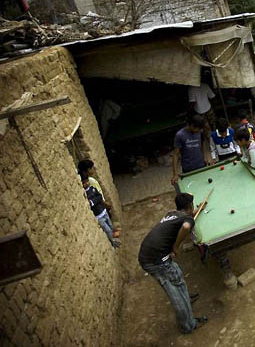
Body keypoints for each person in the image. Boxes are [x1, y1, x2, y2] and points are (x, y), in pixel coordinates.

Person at [138, 193, 208, 334]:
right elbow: (187, 226)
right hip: (157, 260)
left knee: (177, 278)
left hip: (147, 253)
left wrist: (198, 209)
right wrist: (176, 246)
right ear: (189, 206)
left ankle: (186, 299)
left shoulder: (172, 214)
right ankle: (189, 325)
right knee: (174, 288)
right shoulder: (186, 219)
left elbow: (186, 218)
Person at [78, 159, 121, 238]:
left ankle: (114, 235)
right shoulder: (90, 182)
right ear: (88, 170)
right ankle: (113, 239)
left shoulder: (90, 180)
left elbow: (98, 195)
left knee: (109, 223)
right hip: (101, 207)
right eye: (92, 168)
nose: (94, 169)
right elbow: (96, 197)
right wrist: (104, 203)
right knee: (107, 226)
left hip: (102, 206)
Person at [81, 173, 120, 248]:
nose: (86, 183)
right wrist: (96, 200)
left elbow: (99, 197)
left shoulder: (92, 188)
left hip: (103, 211)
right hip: (99, 216)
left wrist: (93, 202)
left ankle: (115, 239)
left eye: (87, 181)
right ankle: (113, 242)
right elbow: (97, 199)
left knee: (110, 226)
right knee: (107, 230)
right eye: (84, 182)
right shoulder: (85, 194)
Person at [172, 115, 206, 185]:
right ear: (191, 125)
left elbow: (202, 144)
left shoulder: (200, 131)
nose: (198, 131)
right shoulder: (180, 135)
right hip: (188, 169)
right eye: (197, 129)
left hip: (201, 166)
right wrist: (175, 174)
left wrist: (204, 157)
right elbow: (175, 155)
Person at [188, 68, 216, 133]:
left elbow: (192, 102)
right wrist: (213, 106)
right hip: (209, 108)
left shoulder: (191, 89)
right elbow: (212, 97)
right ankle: (215, 137)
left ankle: (210, 140)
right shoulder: (205, 85)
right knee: (213, 124)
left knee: (206, 128)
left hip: (200, 111)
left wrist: (188, 112)